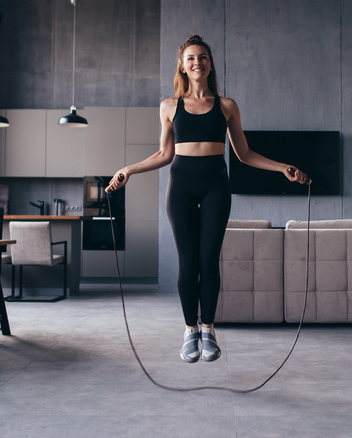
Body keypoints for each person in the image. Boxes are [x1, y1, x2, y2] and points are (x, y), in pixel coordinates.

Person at [107, 35, 309, 363]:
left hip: (217, 187)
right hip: (181, 188)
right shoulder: (169, 106)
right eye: (190, 58)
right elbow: (164, 154)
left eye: (202, 57)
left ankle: (208, 329)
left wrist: (281, 168)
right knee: (188, 263)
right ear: (183, 67)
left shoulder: (227, 106)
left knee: (208, 260)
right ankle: (189, 331)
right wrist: (128, 170)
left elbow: (243, 154)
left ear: (209, 63)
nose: (197, 62)